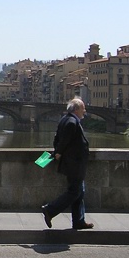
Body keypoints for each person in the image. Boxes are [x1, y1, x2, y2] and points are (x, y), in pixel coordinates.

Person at [41, 97, 94, 230]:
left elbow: (57, 139)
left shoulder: (64, 119)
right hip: (74, 164)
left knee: (79, 192)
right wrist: (58, 152)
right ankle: (50, 209)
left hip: (72, 163)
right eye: (83, 108)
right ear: (76, 109)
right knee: (74, 192)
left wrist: (57, 150)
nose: (85, 111)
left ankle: (78, 221)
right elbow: (64, 141)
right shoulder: (72, 122)